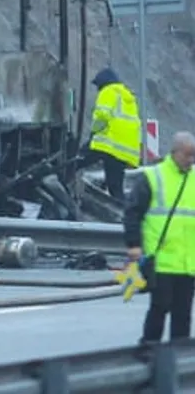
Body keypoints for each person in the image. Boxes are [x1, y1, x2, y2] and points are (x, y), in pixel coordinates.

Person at [123, 131, 195, 344]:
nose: (191, 160)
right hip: (160, 260)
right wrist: (134, 244)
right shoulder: (153, 177)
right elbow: (132, 212)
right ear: (174, 153)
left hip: (188, 262)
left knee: (182, 315)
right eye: (188, 155)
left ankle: (179, 362)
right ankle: (149, 349)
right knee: (160, 308)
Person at [81, 67, 141, 201]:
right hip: (124, 150)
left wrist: (93, 134)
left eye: (98, 86)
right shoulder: (127, 97)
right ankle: (123, 215)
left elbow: (102, 117)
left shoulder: (108, 92)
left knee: (77, 160)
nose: (98, 89)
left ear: (103, 83)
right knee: (116, 188)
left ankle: (62, 178)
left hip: (107, 144)